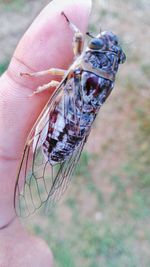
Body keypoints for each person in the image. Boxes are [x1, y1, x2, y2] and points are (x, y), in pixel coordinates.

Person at [0, 0, 91, 266]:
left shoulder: (80, 64)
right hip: (71, 127)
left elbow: (55, 77)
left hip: (62, 123)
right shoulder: (97, 77)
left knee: (55, 79)